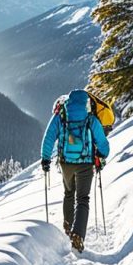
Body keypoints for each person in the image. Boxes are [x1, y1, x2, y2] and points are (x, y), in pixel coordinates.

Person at [41, 89, 110, 252]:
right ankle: (78, 236)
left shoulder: (60, 116)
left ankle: (67, 228)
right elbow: (103, 144)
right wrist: (101, 154)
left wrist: (45, 159)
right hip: (85, 164)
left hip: (66, 164)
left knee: (69, 194)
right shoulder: (90, 118)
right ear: (85, 102)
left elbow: (49, 137)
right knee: (83, 199)